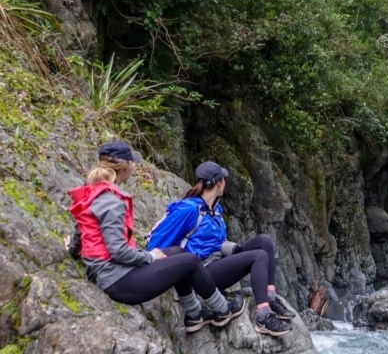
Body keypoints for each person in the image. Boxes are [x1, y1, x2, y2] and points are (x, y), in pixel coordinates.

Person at [66, 141, 246, 333]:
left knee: (177, 252)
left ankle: (195, 314)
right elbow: (118, 252)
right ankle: (223, 310)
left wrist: (72, 249)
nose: (134, 167)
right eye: (132, 163)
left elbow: (80, 228)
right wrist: (150, 257)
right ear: (124, 167)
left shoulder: (93, 191)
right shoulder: (112, 201)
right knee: (191, 261)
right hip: (118, 281)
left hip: (110, 273)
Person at [146, 160, 296, 337]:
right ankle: (263, 316)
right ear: (218, 183)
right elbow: (154, 243)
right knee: (258, 256)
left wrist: (231, 248)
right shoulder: (189, 209)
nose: (225, 182)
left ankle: (270, 298)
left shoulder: (215, 208)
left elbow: (214, 242)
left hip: (216, 263)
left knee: (265, 241)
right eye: (223, 179)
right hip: (200, 274)